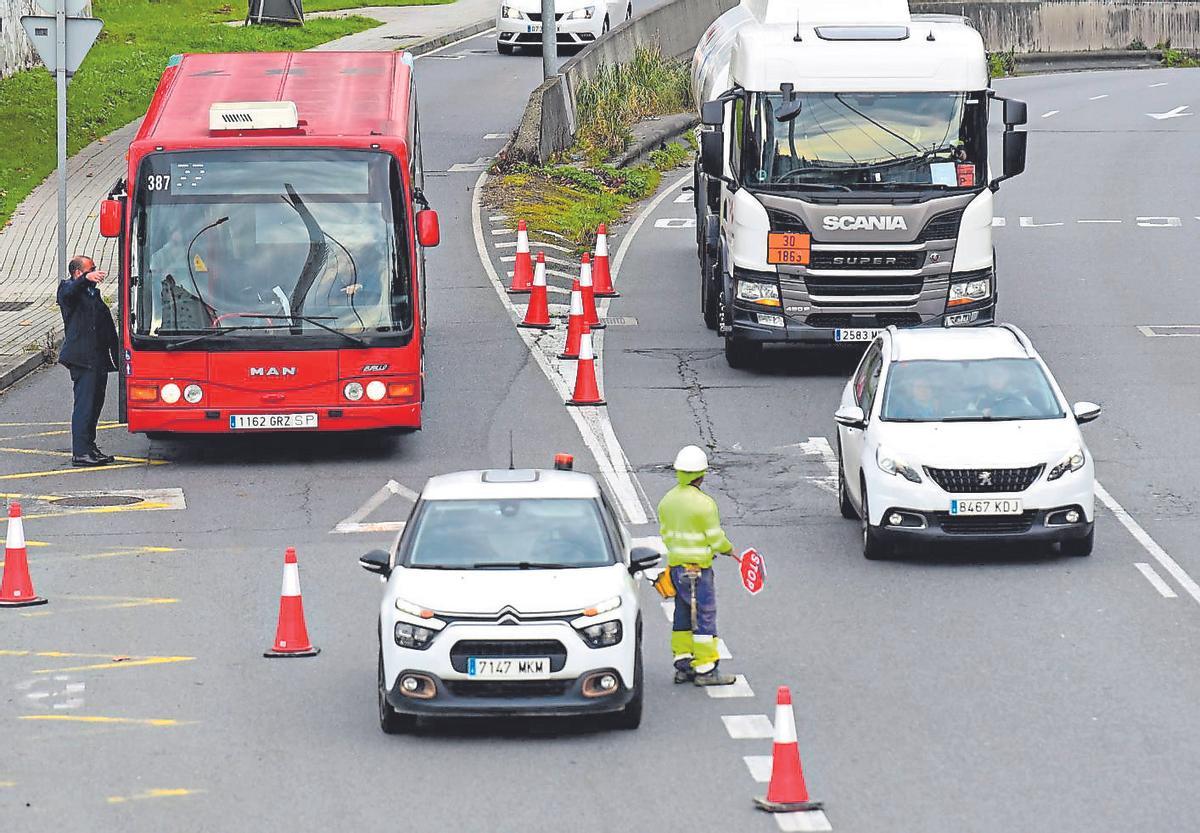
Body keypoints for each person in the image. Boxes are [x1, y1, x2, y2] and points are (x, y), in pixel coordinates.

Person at [658, 445, 737, 687]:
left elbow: (665, 533)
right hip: (698, 571)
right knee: (704, 616)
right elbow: (715, 539)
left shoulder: (667, 501)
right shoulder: (704, 504)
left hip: (676, 569)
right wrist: (729, 550)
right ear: (701, 474)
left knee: (681, 616)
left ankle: (683, 666)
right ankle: (705, 669)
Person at [57, 255, 118, 467]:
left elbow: (106, 325)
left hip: (98, 358)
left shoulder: (93, 293)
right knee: (84, 406)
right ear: (78, 273)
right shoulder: (68, 290)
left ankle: (90, 447)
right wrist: (85, 280)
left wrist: (117, 355)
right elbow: (70, 291)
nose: (96, 272)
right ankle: (81, 452)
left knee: (95, 406)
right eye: (91, 269)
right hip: (82, 359)